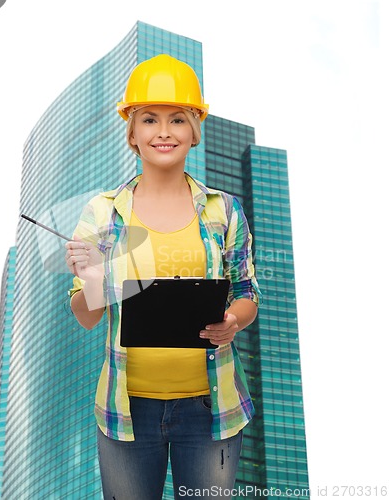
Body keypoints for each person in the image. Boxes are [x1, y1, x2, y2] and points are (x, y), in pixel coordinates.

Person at [65, 54, 262, 500]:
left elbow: (247, 292)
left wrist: (233, 321)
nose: (164, 131)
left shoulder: (224, 211)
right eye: (149, 119)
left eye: (178, 119)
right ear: (132, 132)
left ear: (195, 129)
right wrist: (91, 275)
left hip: (211, 410)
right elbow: (86, 315)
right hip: (127, 410)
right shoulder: (103, 212)